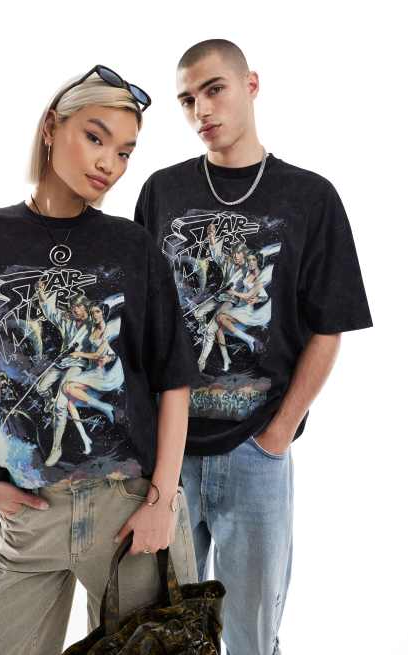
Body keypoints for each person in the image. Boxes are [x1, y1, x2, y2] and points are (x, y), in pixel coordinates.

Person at [0, 65, 200, 655]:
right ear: (50, 127)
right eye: (95, 137)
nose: (109, 164)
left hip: (127, 509)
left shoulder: (131, 244)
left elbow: (174, 380)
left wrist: (162, 502)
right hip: (29, 517)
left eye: (125, 152)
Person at [134, 40, 373, 655]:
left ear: (251, 84)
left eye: (214, 89)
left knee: (251, 638)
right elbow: (140, 327)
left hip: (255, 454)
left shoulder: (310, 197)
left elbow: (328, 327)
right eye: (187, 100)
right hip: (168, 456)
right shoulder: (161, 192)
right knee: (161, 634)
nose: (201, 111)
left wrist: (278, 433)